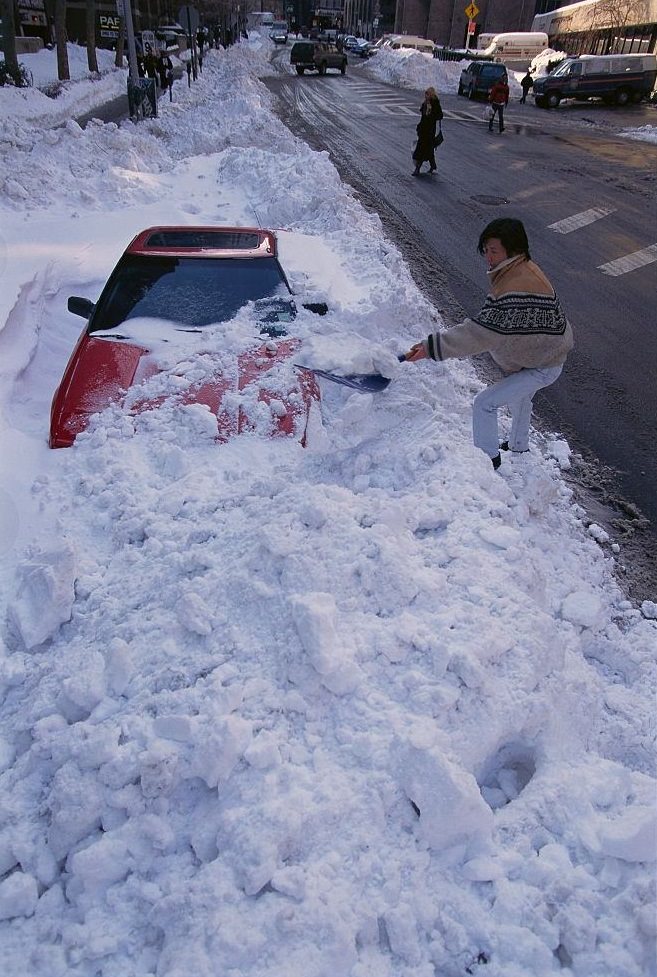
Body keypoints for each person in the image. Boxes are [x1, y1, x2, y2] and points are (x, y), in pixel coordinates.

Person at [403, 218, 574, 471]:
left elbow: (479, 334)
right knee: (520, 399)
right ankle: (518, 445)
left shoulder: (514, 286)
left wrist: (431, 347)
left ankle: (487, 461)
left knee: (485, 403)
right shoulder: (523, 268)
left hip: (544, 364)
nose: (488, 257)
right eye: (486, 250)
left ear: (513, 250)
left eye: (494, 251)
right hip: (544, 354)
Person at [412, 87, 443, 176]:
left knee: (422, 149)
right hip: (423, 129)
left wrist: (432, 114)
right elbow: (423, 117)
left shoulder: (435, 104)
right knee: (427, 150)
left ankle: (417, 169)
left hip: (429, 131)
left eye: (427, 94)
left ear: (431, 95)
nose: (426, 96)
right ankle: (432, 165)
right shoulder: (425, 103)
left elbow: (440, 116)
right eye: (425, 94)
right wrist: (419, 127)